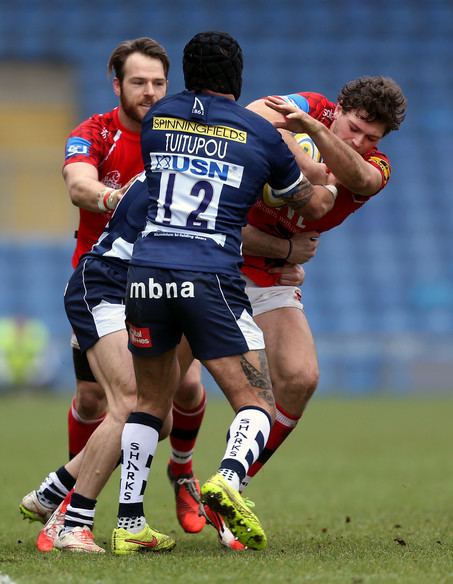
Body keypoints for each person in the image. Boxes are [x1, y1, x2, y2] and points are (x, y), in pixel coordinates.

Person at [111, 30, 317, 555]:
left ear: (185, 73)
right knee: (258, 402)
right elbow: (305, 201)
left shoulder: (158, 120)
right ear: (239, 77)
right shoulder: (259, 134)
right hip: (210, 274)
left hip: (148, 270)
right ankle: (227, 477)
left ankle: (129, 522)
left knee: (149, 404)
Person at [19, 37, 208, 551]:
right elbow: (79, 185)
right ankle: (70, 510)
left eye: (158, 83)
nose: (149, 92)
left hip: (158, 287)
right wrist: (117, 196)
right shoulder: (94, 132)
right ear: (117, 83)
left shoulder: (183, 137)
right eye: (139, 82)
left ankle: (67, 496)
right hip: (101, 280)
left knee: (173, 402)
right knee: (100, 399)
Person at [237, 77, 407, 491]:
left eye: (371, 137)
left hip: (270, 276)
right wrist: (309, 165)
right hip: (218, 259)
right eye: (353, 127)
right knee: (176, 395)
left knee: (301, 378)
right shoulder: (311, 105)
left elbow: (362, 180)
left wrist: (312, 132)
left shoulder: (375, 166)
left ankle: (235, 483)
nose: (359, 141)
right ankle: (179, 470)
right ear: (340, 107)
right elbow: (253, 114)